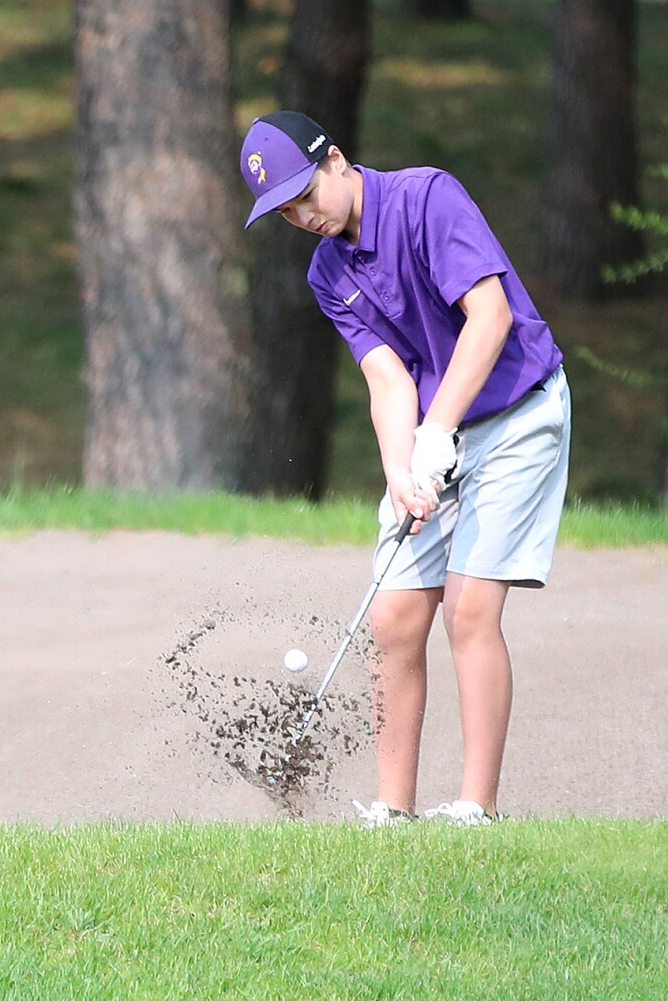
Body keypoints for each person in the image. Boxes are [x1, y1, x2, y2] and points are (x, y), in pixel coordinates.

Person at [239, 111, 571, 827]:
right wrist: (400, 469)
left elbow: (490, 319)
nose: (302, 215)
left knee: (468, 607)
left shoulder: (426, 199)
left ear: (335, 159)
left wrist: (440, 428)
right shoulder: (327, 273)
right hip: (431, 432)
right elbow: (386, 380)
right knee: (391, 614)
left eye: (305, 194)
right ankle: (392, 811)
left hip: (516, 412)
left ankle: (476, 808)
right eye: (285, 211)